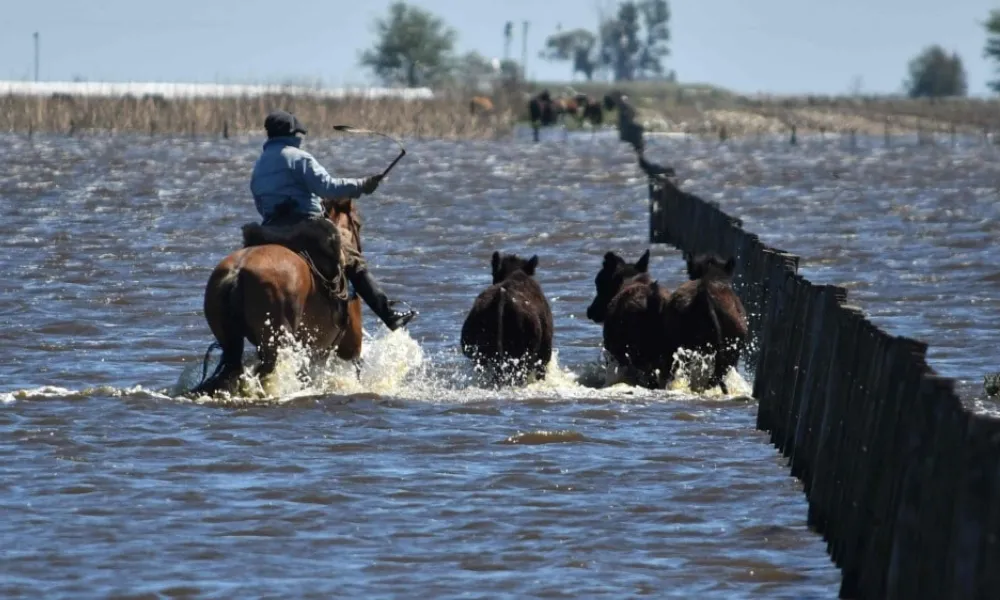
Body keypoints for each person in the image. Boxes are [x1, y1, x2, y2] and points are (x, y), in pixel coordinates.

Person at [250, 110, 416, 331]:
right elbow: (327, 187)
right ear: (292, 133)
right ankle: (389, 314)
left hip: (270, 229)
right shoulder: (299, 158)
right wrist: (363, 185)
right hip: (305, 225)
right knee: (353, 259)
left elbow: (259, 202)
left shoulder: (259, 164)